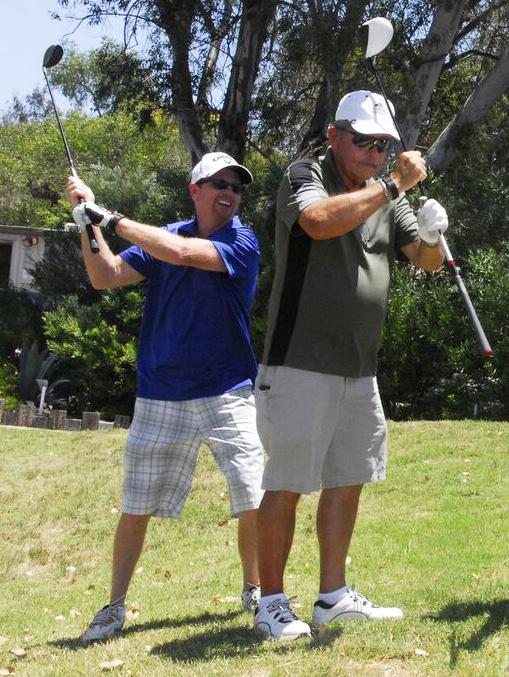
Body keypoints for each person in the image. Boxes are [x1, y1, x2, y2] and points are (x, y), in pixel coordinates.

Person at [253, 90, 449, 640]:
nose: (373, 153)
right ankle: (271, 603)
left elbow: (425, 261)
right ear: (335, 135)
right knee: (288, 482)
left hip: (360, 369)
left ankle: (332, 597)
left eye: (382, 145)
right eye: (363, 141)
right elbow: (317, 221)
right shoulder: (305, 174)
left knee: (347, 480)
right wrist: (393, 187)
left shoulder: (386, 192)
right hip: (299, 362)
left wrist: (432, 234)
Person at [67, 152, 265, 643]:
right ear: (195, 189)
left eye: (236, 187)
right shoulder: (163, 236)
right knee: (136, 506)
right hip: (161, 391)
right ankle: (113, 607)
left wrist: (111, 219)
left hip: (227, 388)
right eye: (219, 183)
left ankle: (258, 592)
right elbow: (105, 275)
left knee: (254, 494)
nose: (230, 193)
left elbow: (182, 253)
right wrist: (86, 222)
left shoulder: (241, 241)